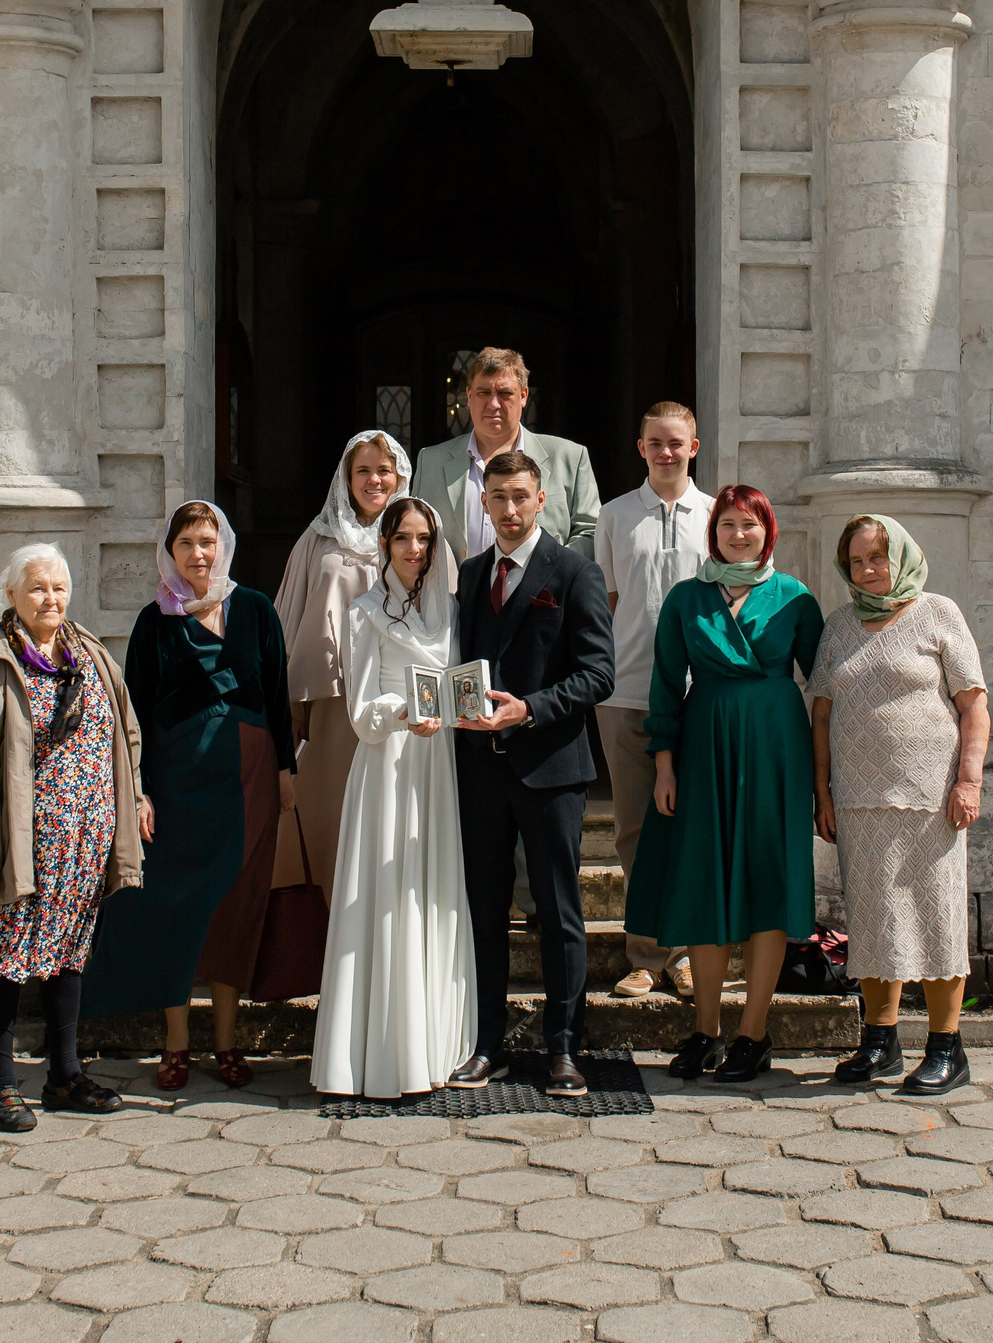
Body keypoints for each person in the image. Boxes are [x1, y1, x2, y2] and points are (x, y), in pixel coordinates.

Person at [80, 501, 298, 1091]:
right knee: (172, 906)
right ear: (169, 552)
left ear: (224, 544)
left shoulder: (255, 609)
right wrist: (141, 790)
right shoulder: (155, 621)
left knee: (234, 903)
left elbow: (276, 692)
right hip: (175, 788)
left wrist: (285, 769)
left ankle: (227, 1043)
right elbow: (137, 713)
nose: (199, 554)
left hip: (248, 781)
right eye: (186, 544)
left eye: (208, 541)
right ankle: (175, 1043)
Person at [0, 543, 151, 1132]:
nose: (50, 598)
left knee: (68, 956)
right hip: (18, 848)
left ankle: (64, 1075)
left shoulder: (92, 656)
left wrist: (134, 797)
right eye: (36, 588)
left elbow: (125, 732)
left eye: (58, 587)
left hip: (82, 844)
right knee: (4, 958)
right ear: (11, 596)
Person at [626, 485, 824, 1086]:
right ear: (712, 532)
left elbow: (832, 682)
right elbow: (664, 684)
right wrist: (664, 764)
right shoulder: (686, 599)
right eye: (728, 525)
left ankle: (754, 1034)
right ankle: (705, 1030)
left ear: (769, 532)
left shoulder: (796, 597)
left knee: (767, 883)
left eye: (751, 525)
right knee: (705, 884)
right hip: (703, 747)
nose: (739, 535)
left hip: (776, 753)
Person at [448, 450, 615, 1099]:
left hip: (551, 766)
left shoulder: (574, 571)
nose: (510, 509)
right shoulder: (467, 574)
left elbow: (598, 672)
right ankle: (486, 1042)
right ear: (484, 503)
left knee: (559, 912)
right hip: (480, 771)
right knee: (484, 911)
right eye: (499, 498)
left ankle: (564, 1047)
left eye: (521, 496)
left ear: (542, 499)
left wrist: (531, 708)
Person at [809, 514, 990, 1096]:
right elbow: (822, 712)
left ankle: (946, 1047)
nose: (868, 570)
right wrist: (824, 790)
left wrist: (969, 781)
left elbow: (973, 705)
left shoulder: (939, 613)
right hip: (859, 800)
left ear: (903, 557)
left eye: (878, 558)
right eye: (858, 561)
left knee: (937, 917)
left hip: (930, 799)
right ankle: (880, 1040)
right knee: (870, 918)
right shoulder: (838, 625)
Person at [312, 497, 476, 1098]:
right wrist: (402, 713)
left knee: (430, 893)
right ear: (384, 544)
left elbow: (462, 688)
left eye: (424, 539)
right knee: (384, 897)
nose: (414, 549)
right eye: (403, 538)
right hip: (388, 765)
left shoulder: (452, 612)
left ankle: (432, 1045)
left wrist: (464, 711)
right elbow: (359, 711)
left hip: (437, 766)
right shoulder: (361, 613)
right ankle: (376, 1057)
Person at [594, 402, 712, 1001]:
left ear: (694, 446)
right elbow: (607, 604)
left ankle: (689, 952)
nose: (666, 452)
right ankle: (644, 954)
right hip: (626, 691)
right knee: (635, 829)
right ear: (640, 448)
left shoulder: (718, 518)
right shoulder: (613, 518)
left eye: (676, 443)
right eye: (655, 443)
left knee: (691, 827)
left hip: (698, 696)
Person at [274, 429, 410, 905]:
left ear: (400, 476)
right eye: (363, 471)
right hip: (332, 700)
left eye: (384, 470)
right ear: (346, 478)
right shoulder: (319, 537)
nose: (375, 480)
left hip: (395, 696)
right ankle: (331, 933)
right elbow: (288, 618)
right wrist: (287, 707)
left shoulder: (416, 532)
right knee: (330, 813)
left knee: (388, 818)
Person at [411, 347, 601, 563]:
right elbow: (413, 533)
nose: (493, 404)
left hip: (543, 594)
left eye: (504, 393)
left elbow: (591, 533)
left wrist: (554, 575)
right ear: (469, 396)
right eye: (483, 393)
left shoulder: (569, 458)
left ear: (523, 396)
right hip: (454, 596)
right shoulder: (431, 462)